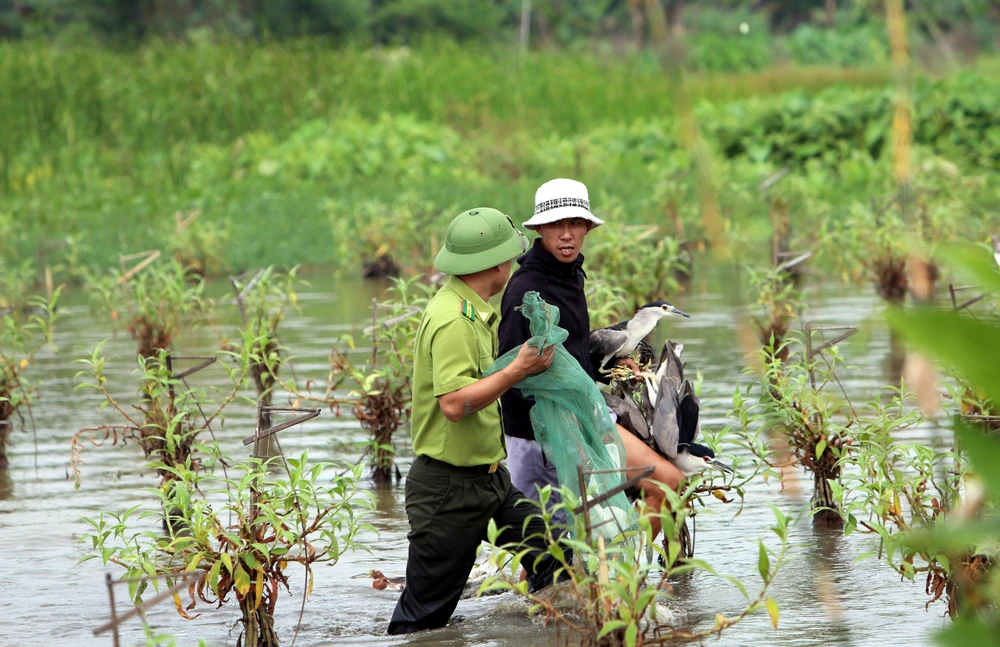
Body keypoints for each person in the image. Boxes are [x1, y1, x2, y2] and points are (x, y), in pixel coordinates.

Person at [388, 207, 565, 635]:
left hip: (489, 482)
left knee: (551, 556)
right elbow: (452, 404)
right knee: (422, 621)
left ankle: (549, 634)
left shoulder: (473, 309)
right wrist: (515, 371)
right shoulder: (454, 320)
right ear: (496, 263)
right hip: (448, 492)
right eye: (511, 255)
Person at [498, 178, 684, 539]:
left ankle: (622, 581)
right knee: (555, 548)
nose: (566, 235)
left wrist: (612, 371)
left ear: (587, 227)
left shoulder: (570, 275)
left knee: (668, 485)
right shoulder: (526, 288)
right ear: (538, 228)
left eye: (575, 224)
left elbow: (575, 360)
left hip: (587, 415)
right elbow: (512, 373)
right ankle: (614, 584)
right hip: (541, 437)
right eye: (556, 225)